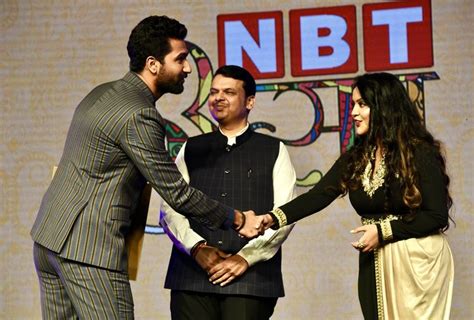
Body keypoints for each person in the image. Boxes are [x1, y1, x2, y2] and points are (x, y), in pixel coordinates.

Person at [30, 16, 264, 319]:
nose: (188, 68)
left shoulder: (101, 93)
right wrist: (236, 218)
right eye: (180, 59)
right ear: (153, 64)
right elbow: (176, 194)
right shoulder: (140, 115)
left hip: (50, 239)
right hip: (89, 251)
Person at [260, 72, 454, 319]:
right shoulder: (358, 157)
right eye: (353, 104)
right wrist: (271, 219)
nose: (353, 112)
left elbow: (436, 216)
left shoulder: (420, 153)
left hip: (416, 264)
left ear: (384, 107)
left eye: (362, 104)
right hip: (374, 259)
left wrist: (384, 231)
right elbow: (318, 195)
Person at [159, 65, 297, 320]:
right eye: (214, 92)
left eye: (229, 92)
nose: (218, 98)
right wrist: (196, 248)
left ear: (250, 101)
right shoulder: (191, 148)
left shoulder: (273, 149)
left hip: (251, 279)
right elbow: (169, 207)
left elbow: (284, 215)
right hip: (191, 275)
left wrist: (246, 257)